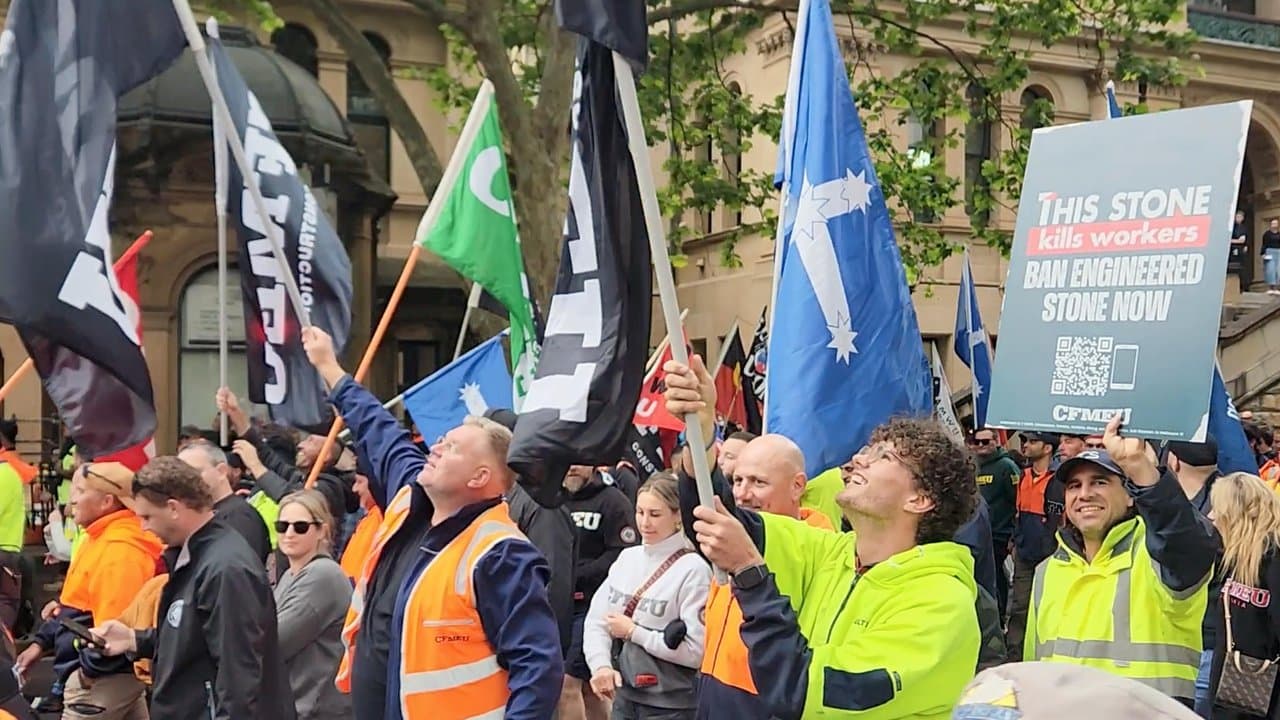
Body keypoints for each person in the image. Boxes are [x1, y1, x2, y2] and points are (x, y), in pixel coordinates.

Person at [665, 354, 980, 718]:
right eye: (865, 450)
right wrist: (701, 433)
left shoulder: (941, 604)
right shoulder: (832, 553)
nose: (857, 460)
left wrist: (751, 572)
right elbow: (715, 518)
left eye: (883, 457)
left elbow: (807, 691)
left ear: (920, 499)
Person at [301, 327, 561, 720]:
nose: (436, 447)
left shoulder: (501, 554)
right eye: (442, 440)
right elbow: (378, 427)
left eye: (452, 446)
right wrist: (329, 368)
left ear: (479, 478)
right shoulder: (410, 496)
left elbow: (538, 671)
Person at [1026, 417, 1218, 703]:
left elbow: (1185, 541)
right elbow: (1033, 662)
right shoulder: (1048, 570)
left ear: (1131, 495)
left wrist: (1139, 467)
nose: (1084, 494)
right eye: (1073, 486)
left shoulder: (1157, 558)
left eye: (1099, 482)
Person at [90, 456, 295, 720]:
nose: (144, 527)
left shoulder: (226, 567)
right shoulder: (199, 556)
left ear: (174, 508)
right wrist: (135, 640)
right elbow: (195, 635)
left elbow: (239, 674)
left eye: (148, 516)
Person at [689, 433, 833, 719]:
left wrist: (703, 431)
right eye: (738, 480)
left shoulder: (817, 549)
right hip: (712, 691)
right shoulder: (735, 540)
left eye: (758, 482)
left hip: (763, 704)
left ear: (797, 486)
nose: (742, 493)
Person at [15, 463, 162, 720]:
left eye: (80, 490)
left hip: (101, 680)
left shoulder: (120, 551)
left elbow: (114, 631)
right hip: (106, 678)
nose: (71, 499)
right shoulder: (100, 538)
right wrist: (41, 643)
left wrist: (85, 675)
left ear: (107, 502)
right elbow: (75, 602)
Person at [584, 473, 709, 720]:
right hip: (625, 696)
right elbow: (597, 620)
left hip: (673, 705)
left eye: (655, 514)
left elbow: (697, 652)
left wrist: (634, 632)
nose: (644, 523)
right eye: (640, 512)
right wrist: (600, 665)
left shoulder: (694, 569)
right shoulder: (627, 559)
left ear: (678, 517)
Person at [562, 464, 637, 720]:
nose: (571, 467)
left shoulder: (613, 501)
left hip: (594, 605)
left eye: (578, 461)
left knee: (566, 683)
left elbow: (623, 553)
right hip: (558, 603)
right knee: (590, 687)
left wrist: (576, 575)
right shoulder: (551, 500)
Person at [272, 490, 353, 720]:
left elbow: (274, 640)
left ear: (321, 531)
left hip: (318, 709)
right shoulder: (290, 575)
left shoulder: (323, 575)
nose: (289, 533)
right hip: (297, 704)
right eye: (282, 526)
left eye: (300, 527)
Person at [1207, 473, 1280, 719]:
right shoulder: (1232, 559)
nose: (1212, 517)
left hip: (1268, 697)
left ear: (1236, 513)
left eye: (1217, 509)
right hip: (1231, 695)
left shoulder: (1274, 557)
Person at [1007, 431, 1063, 661]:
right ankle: (1015, 656)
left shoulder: (1058, 479)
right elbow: (1018, 512)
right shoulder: (1024, 475)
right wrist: (1015, 540)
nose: (1026, 446)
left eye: (1032, 441)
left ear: (1047, 448)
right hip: (1025, 552)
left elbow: (1057, 521)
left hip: (1048, 554)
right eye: (1025, 441)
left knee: (1047, 608)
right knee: (1019, 606)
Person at [177, 441, 272, 564]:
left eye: (194, 472)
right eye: (180, 475)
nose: (185, 480)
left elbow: (238, 570)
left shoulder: (240, 516)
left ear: (222, 471)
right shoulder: (205, 514)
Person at [971, 427, 1019, 614]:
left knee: (996, 576)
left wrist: (1013, 535)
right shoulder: (973, 466)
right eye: (977, 442)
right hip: (979, 534)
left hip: (1000, 534)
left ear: (996, 442)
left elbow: (1017, 501)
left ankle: (999, 615)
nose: (981, 446)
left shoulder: (1006, 466)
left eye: (986, 441)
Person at [1262, 218, 1280, 294]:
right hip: (1269, 252)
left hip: (1278, 252)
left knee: (1278, 270)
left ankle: (1277, 288)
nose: (1274, 225)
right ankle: (1271, 287)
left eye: (1275, 223)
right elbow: (1264, 244)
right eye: (1273, 223)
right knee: (1270, 270)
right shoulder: (1267, 234)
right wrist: (1263, 253)